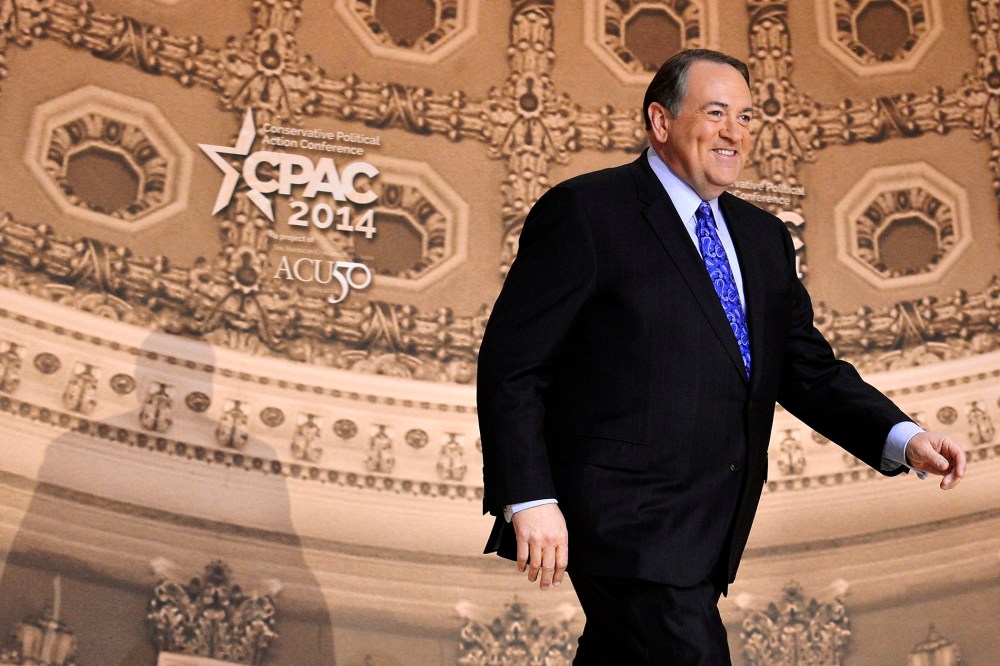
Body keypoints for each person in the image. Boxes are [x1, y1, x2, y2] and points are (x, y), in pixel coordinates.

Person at [476, 49, 967, 665]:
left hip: (709, 526)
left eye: (747, 116)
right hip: (620, 519)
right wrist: (530, 496)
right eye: (715, 113)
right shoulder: (587, 211)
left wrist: (903, 437)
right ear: (661, 121)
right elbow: (514, 364)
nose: (735, 131)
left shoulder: (764, 239)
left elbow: (806, 369)